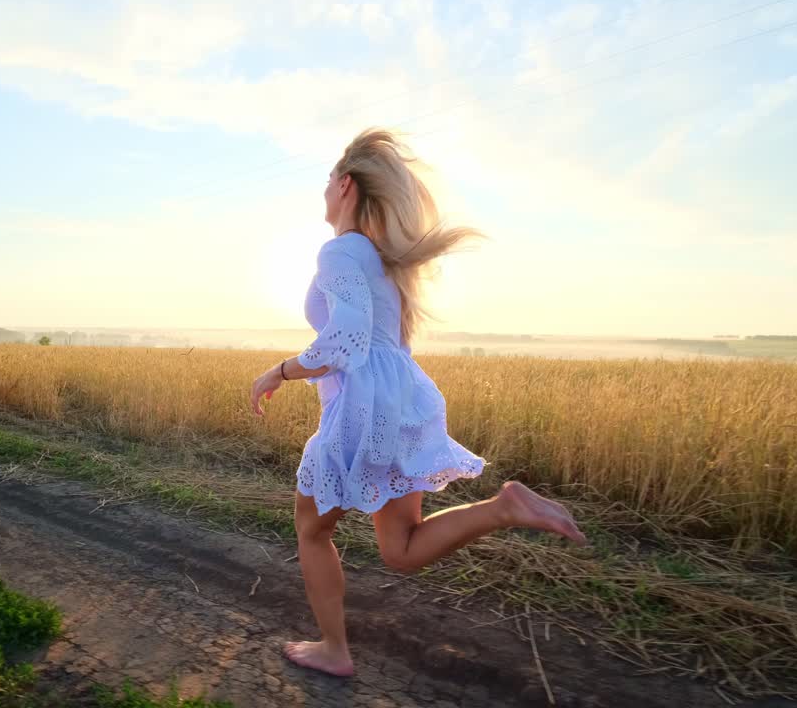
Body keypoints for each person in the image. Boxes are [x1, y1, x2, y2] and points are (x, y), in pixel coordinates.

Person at [249, 128, 587, 677]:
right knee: (400, 549)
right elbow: (385, 344)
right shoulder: (386, 263)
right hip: (403, 400)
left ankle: (334, 649)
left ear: (345, 185)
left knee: (312, 528)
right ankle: (504, 507)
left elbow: (347, 341)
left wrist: (279, 371)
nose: (323, 192)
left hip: (363, 408)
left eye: (326, 182)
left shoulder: (339, 251)